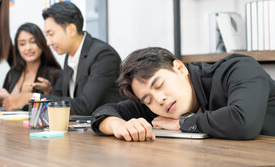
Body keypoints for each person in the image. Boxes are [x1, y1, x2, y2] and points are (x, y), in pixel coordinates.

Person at [91, 47, 275, 141]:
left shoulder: (240, 69)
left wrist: (182, 123)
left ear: (179, 68)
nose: (159, 99)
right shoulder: (160, 103)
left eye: (159, 84)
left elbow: (243, 122)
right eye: (147, 100)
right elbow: (104, 112)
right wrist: (117, 125)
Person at [37, 1, 124, 115]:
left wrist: (36, 98)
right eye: (46, 36)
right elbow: (60, 97)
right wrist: (46, 93)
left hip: (108, 129)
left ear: (71, 30)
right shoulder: (69, 55)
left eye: (51, 34)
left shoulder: (103, 55)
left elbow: (84, 106)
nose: (48, 42)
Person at [0, 23, 61, 110]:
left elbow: (56, 107)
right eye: (22, 44)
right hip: (12, 123)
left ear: (41, 43)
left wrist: (47, 92)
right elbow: (6, 107)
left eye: (33, 42)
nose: (28, 48)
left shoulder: (55, 73)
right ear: (17, 47)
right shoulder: (12, 73)